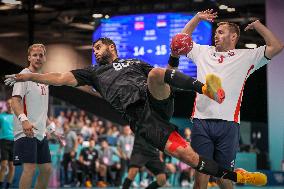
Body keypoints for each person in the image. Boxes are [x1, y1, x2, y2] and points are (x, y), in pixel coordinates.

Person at [5, 37, 267, 186]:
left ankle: (205, 89)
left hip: (155, 98)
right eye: (94, 49)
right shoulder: (93, 73)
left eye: (99, 47)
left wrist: (174, 57)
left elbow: (165, 73)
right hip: (143, 120)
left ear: (113, 49)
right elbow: (59, 77)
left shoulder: (135, 62)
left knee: (154, 73)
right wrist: (24, 76)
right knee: (189, 157)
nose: (95, 51)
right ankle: (237, 176)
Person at [180, 9, 284, 189]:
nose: (215, 36)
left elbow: (277, 46)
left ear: (234, 36)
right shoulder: (203, 52)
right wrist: (197, 18)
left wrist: (258, 25)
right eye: (215, 32)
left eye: (220, 32)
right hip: (201, 122)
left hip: (228, 125)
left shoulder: (247, 56)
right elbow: (181, 41)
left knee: (224, 178)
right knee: (200, 179)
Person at [9, 43, 64, 189]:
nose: (38, 58)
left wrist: (53, 131)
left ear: (45, 58)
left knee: (46, 170)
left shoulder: (43, 81)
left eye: (41, 55)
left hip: (40, 134)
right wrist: (24, 120)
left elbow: (42, 112)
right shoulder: (23, 76)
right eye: (35, 55)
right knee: (30, 169)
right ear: (29, 58)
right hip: (26, 132)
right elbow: (14, 101)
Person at [0, 98, 15, 189]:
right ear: (6, 105)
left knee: (12, 166)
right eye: (8, 103)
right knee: (4, 165)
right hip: (4, 142)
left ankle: (8, 187)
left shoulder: (18, 117)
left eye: (11, 103)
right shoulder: (1, 116)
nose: (9, 105)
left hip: (15, 143)